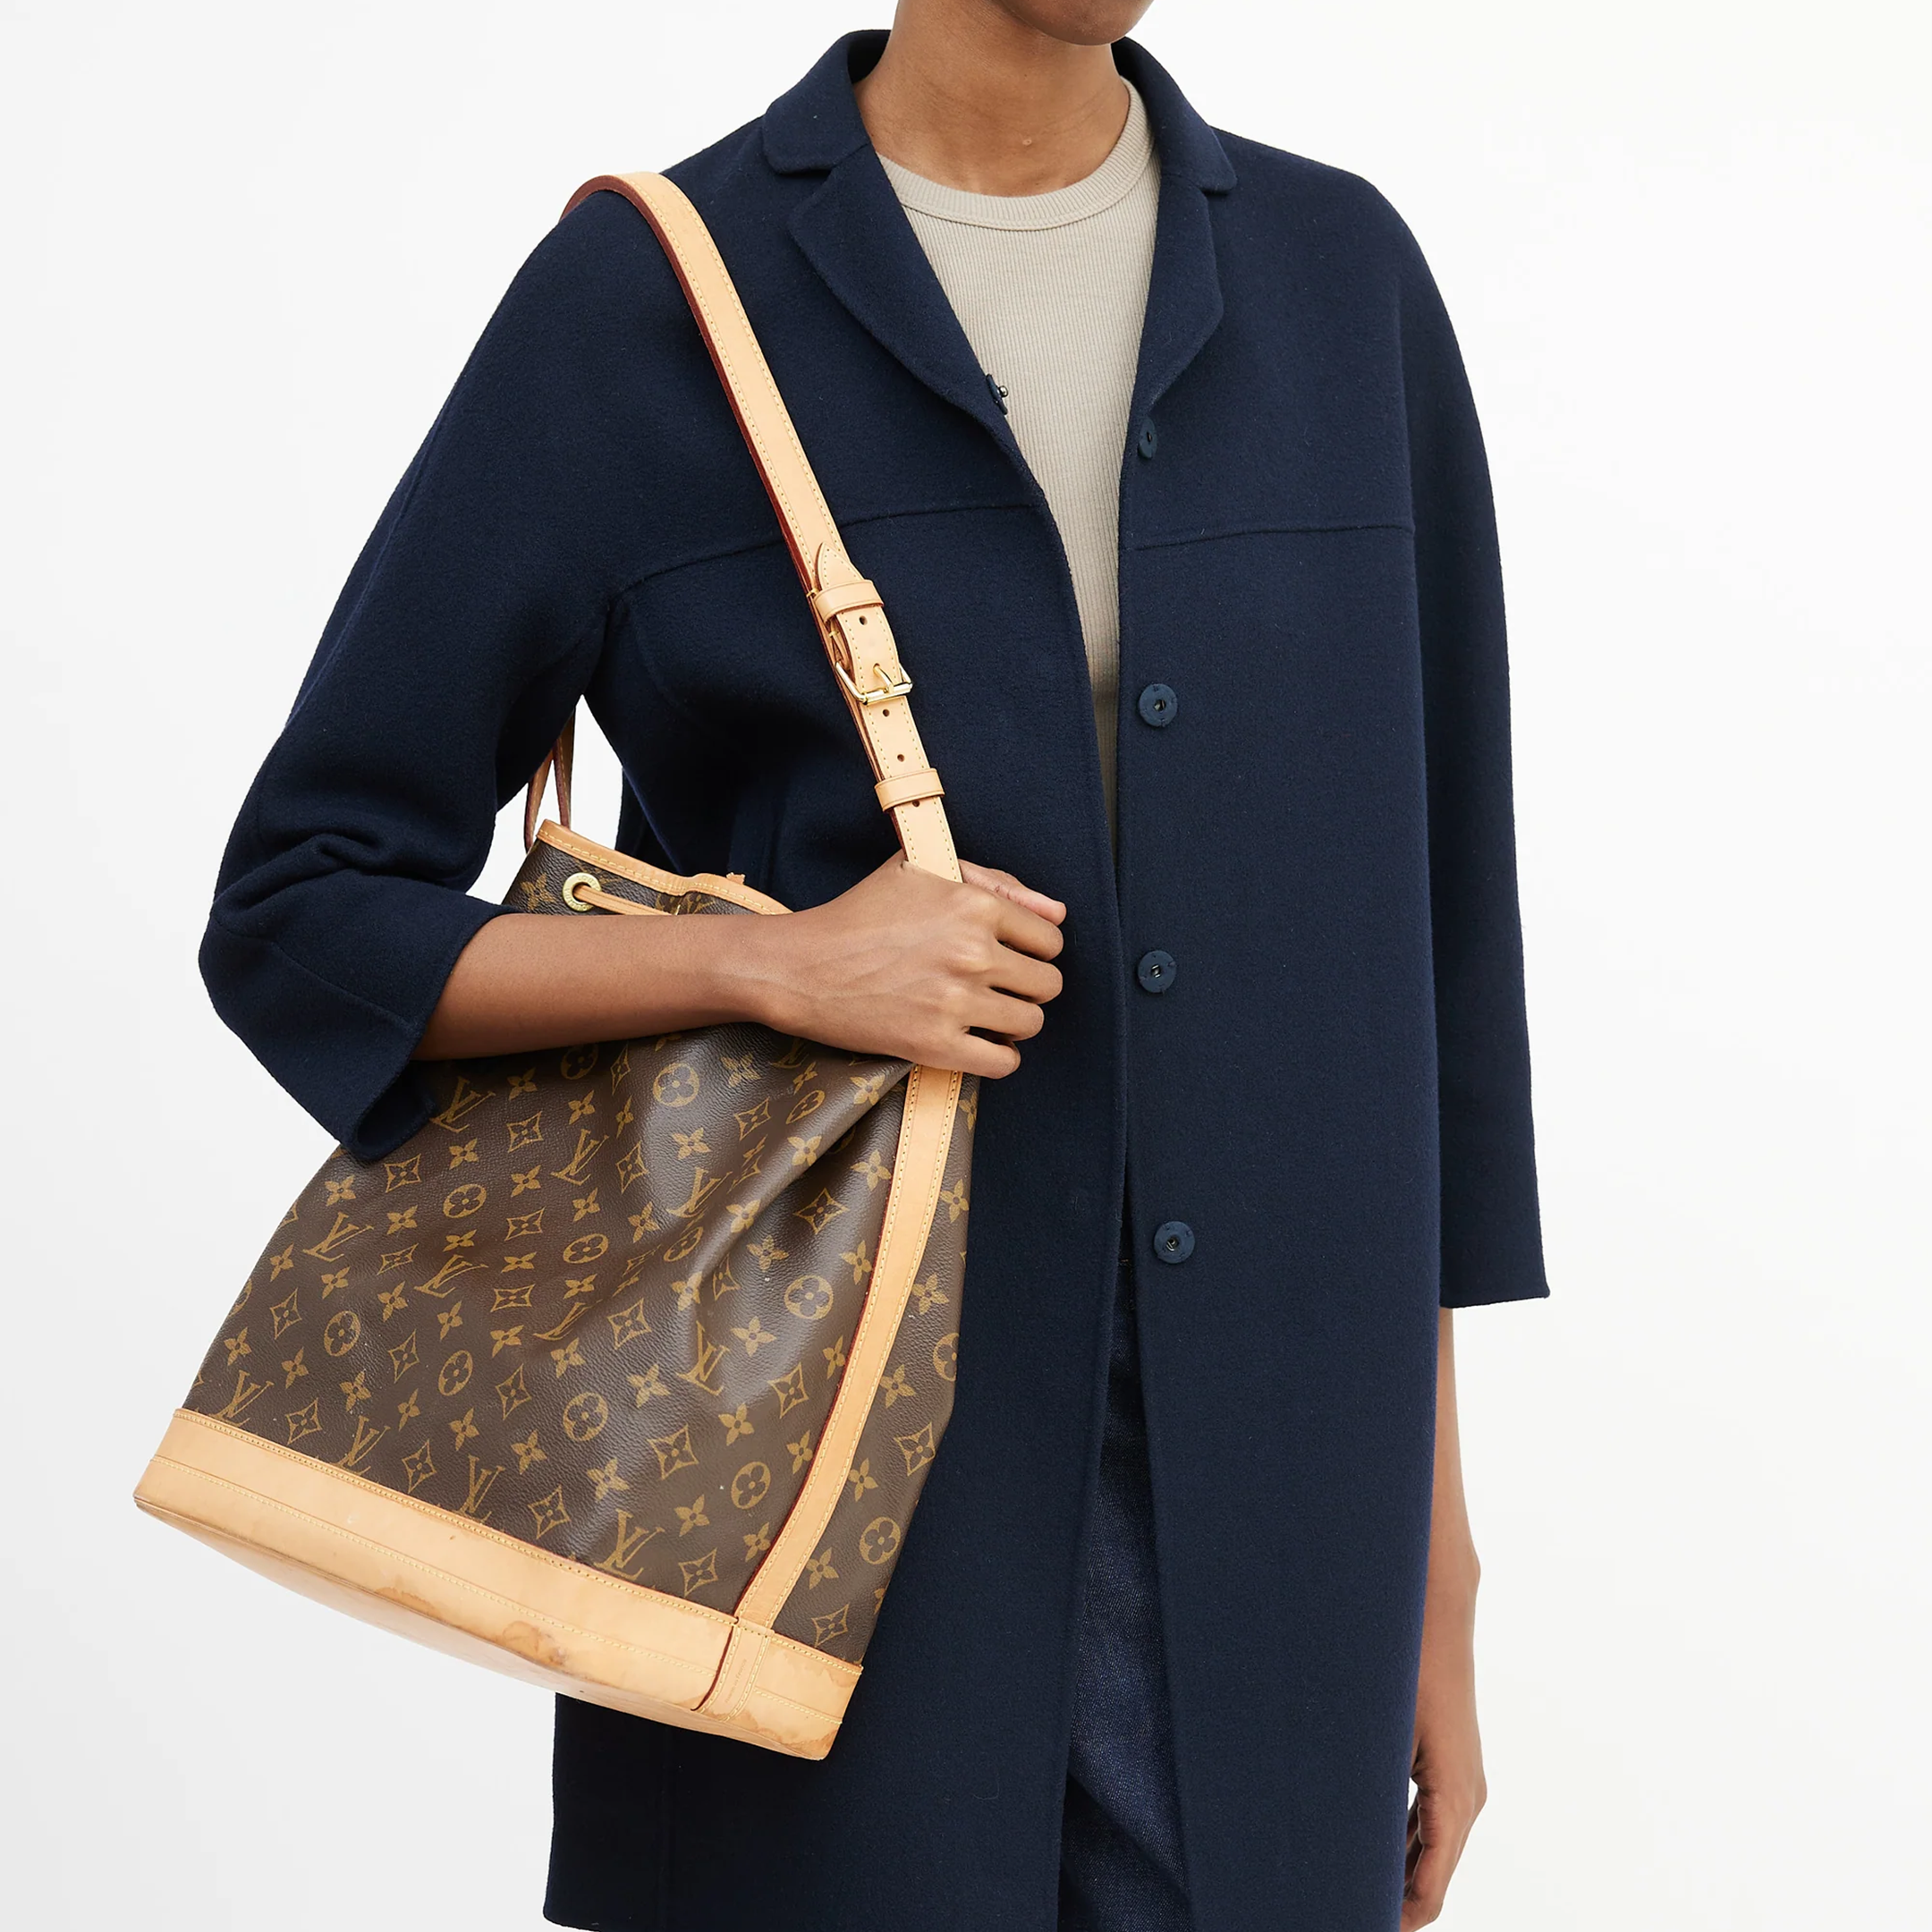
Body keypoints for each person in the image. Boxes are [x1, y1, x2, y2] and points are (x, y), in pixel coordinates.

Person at [201, 4, 1546, 1928]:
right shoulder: (655, 295)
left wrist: (1436, 1570)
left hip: (1279, 1528)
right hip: (815, 1495)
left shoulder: (1344, 284)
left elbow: (1425, 971)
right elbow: (304, 901)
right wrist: (778, 970)